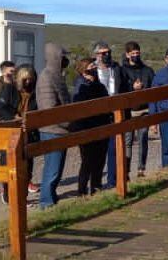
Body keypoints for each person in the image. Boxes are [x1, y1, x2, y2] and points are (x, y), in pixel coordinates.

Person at [0, 65, 40, 204]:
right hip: (11, 131)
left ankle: (22, 198)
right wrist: (13, 117)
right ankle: (8, 195)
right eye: (25, 79)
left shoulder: (35, 92)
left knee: (27, 166)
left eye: (30, 79)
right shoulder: (9, 89)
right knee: (7, 164)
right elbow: (0, 107)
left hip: (28, 133)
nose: (28, 82)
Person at [36, 42, 71, 209]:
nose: (65, 60)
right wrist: (68, 122)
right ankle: (46, 202)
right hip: (52, 129)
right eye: (63, 57)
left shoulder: (57, 75)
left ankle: (51, 198)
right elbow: (50, 109)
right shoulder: (47, 77)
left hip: (60, 129)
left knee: (57, 168)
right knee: (52, 168)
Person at [91, 41, 128, 189]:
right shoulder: (91, 70)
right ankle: (95, 184)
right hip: (98, 116)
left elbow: (124, 87)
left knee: (114, 149)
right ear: (96, 55)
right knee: (98, 152)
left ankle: (112, 182)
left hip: (115, 113)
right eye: (103, 53)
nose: (106, 55)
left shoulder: (116, 68)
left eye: (108, 52)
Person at [71, 59, 111, 196]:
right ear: (84, 70)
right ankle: (81, 191)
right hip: (86, 128)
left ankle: (96, 188)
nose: (94, 68)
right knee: (87, 161)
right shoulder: (80, 86)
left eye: (95, 66)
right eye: (91, 66)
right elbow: (80, 105)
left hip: (102, 126)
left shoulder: (99, 85)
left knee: (100, 160)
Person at [122, 41, 155, 177]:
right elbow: (120, 90)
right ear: (127, 54)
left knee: (143, 139)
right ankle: (126, 171)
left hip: (144, 110)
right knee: (128, 141)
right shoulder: (122, 71)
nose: (136, 55)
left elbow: (153, 91)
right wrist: (132, 89)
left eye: (137, 53)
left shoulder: (147, 71)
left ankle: (141, 169)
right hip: (128, 112)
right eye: (133, 53)